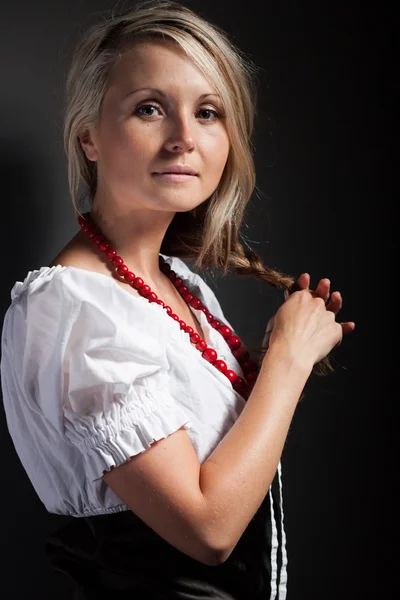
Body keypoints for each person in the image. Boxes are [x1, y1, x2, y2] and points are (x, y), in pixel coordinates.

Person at [0, 1, 355, 598]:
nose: (184, 139)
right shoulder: (70, 308)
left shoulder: (179, 286)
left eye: (208, 112)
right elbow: (207, 528)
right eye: (149, 109)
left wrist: (267, 362)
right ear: (89, 136)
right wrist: (289, 366)